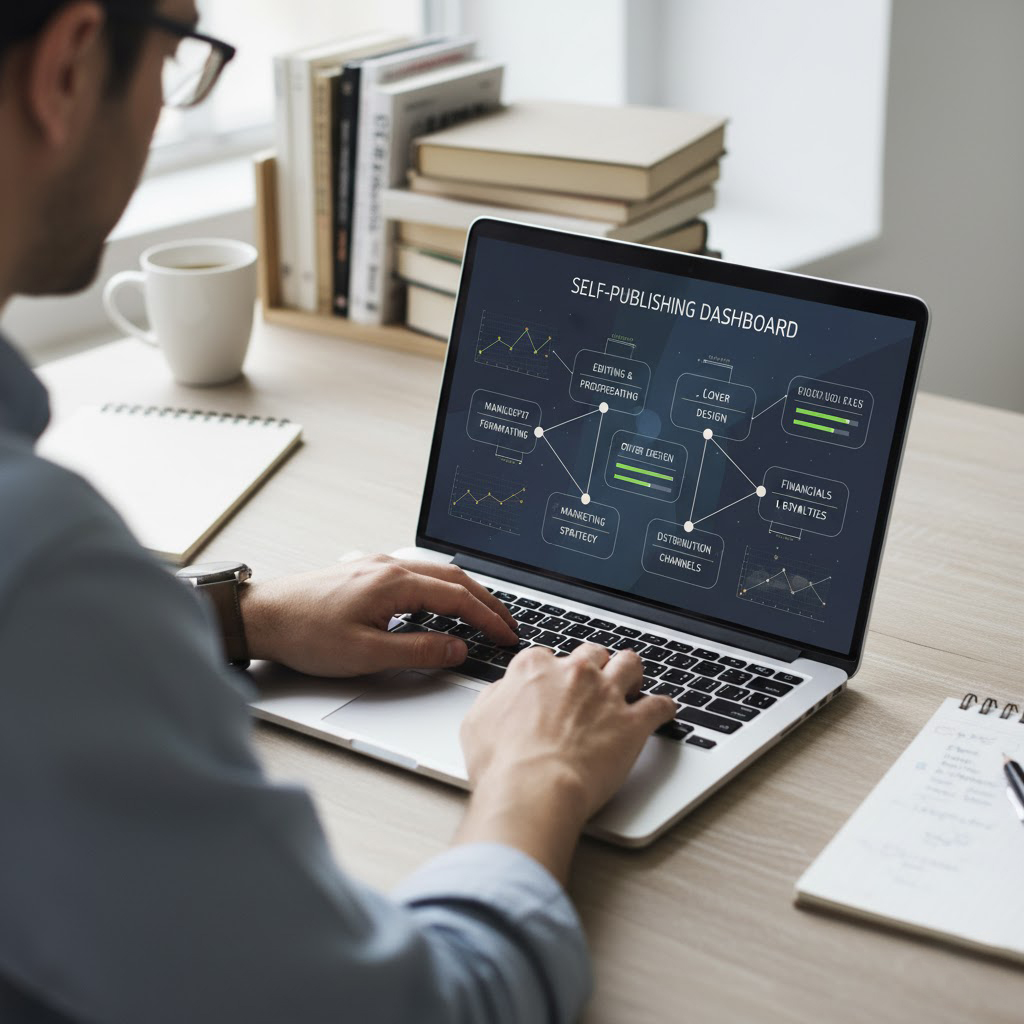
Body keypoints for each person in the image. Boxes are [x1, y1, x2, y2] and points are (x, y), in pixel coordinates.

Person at [0, 3, 677, 1021]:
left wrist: (234, 615)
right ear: (67, 64)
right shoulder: (41, 574)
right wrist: (533, 778)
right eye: (179, 53)